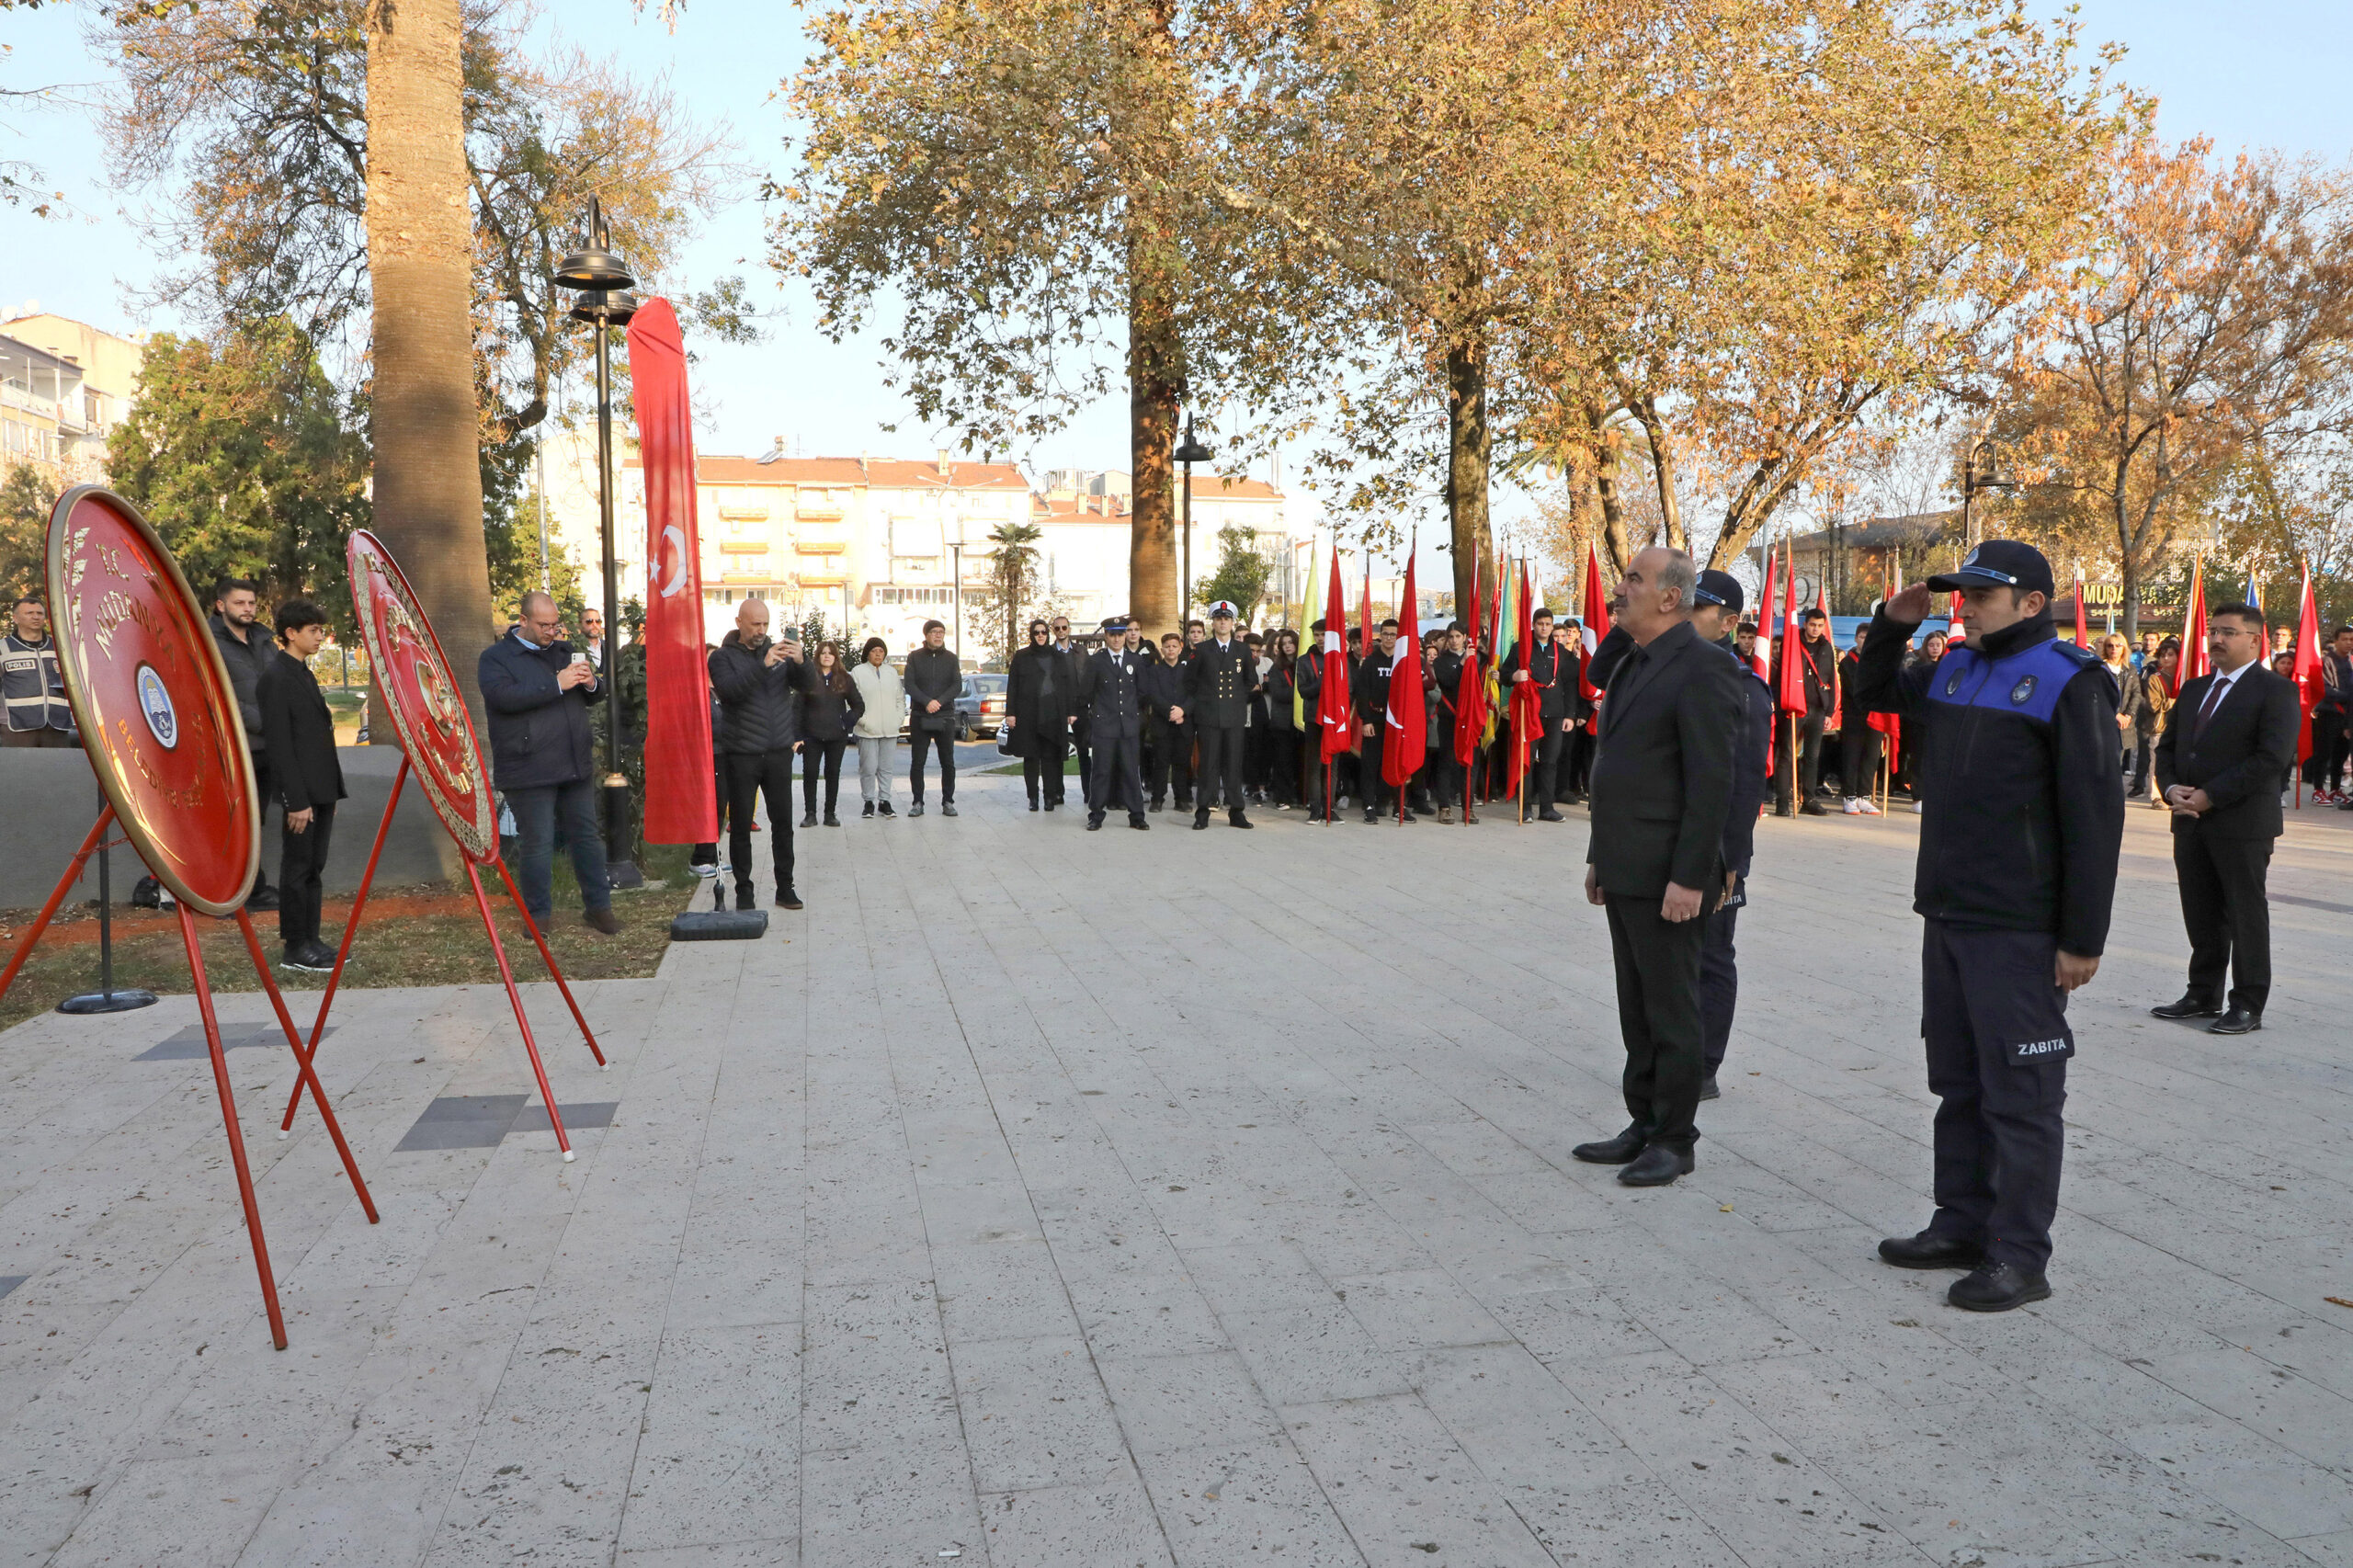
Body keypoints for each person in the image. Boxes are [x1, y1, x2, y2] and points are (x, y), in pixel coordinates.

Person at [1857, 540, 2123, 1312]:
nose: (1964, 607)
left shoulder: (2070, 681)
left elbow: (2095, 817)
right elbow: (1872, 692)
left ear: (2032, 603)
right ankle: (1961, 1224)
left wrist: (2082, 938)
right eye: (1960, 594)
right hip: (1949, 912)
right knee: (1958, 1084)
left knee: (2022, 1096)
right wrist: (1891, 627)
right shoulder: (1956, 667)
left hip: (2020, 926)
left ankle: (2019, 1256)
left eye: (1980, 595)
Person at [1571, 548, 1740, 1187]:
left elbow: (1711, 783)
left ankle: (1674, 1139)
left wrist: (1691, 877)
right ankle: (1642, 1122)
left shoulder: (1705, 667)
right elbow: (1615, 768)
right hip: (1626, 863)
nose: (1620, 590)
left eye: (1634, 580)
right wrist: (1599, 856)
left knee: (1671, 1008)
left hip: (1671, 871)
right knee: (1636, 1006)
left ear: (1671, 597)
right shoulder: (1633, 661)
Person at [2149, 603, 2300, 1034]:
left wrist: (2210, 796)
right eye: (2213, 631)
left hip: (2242, 823)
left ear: (2254, 640)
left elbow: (2271, 758)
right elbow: (2168, 747)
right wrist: (2172, 788)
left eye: (2228, 632)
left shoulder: (2276, 691)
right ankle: (2202, 993)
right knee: (2201, 911)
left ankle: (2248, 1003)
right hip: (2189, 819)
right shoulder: (2195, 688)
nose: (2216, 639)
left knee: (2244, 913)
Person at [482, 591, 616, 933]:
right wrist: (555, 684)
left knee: (587, 838)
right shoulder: (496, 658)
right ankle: (538, 916)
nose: (551, 631)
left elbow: (595, 696)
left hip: (573, 764)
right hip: (528, 767)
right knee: (538, 843)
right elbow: (503, 698)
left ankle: (599, 908)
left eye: (555, 625)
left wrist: (591, 683)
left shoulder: (563, 651)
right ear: (523, 621)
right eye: (544, 625)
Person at [1691, 570, 1770, 1101]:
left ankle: (1704, 1065)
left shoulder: (1744, 687)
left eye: (1698, 608)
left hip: (1717, 851)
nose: (1685, 615)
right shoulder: (1672, 671)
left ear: (1728, 622)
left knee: (1712, 956)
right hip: (1670, 843)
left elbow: (1745, 784)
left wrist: (1732, 860)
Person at [256, 599, 347, 971]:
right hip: (301, 795)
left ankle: (312, 938)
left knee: (313, 867)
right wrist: (295, 800)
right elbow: (280, 745)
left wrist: (329, 793)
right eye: (313, 630)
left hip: (319, 790)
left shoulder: (303, 673)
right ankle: (295, 947)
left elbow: (316, 736)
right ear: (291, 633)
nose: (320, 637)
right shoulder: (276, 677)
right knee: (296, 869)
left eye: (321, 630)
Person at [708, 597, 804, 911]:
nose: (761, 630)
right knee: (740, 826)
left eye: (765, 624)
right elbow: (730, 692)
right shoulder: (721, 657)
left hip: (778, 752)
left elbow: (809, 686)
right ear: (739, 623)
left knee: (783, 824)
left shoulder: (779, 652)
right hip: (742, 753)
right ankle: (744, 891)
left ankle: (785, 888)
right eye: (755, 624)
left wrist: (801, 661)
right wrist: (763, 667)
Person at [210, 578, 283, 910]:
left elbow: (281, 682)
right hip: (232, 747)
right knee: (230, 821)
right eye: (239, 603)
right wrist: (263, 721)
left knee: (257, 819)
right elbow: (216, 695)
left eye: (251, 603)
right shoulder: (208, 642)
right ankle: (224, 894)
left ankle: (252, 889)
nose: (248, 609)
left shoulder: (265, 641)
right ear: (221, 605)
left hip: (269, 747)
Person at [1182, 600, 1257, 830]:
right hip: (1209, 717)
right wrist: (1205, 700)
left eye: (1226, 619)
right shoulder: (1202, 650)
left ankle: (1236, 812)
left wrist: (1237, 699)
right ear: (1213, 623)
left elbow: (1251, 680)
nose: (1223, 622)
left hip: (1233, 717)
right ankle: (1203, 812)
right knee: (1208, 766)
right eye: (1218, 619)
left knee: (1233, 765)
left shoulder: (1242, 650)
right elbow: (1189, 682)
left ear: (1233, 623)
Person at [1500, 608, 1575, 821]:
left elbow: (1570, 684)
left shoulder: (1561, 651)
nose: (1544, 628)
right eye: (1540, 624)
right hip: (1529, 713)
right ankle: (1525, 808)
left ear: (1552, 626)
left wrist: (1570, 715)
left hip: (1555, 713)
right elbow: (1505, 674)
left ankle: (1547, 808)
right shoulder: (1521, 648)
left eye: (1548, 624)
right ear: (1533, 625)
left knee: (1550, 761)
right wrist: (1514, 676)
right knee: (1527, 760)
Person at [1078, 617, 1150, 830]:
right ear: (1106, 636)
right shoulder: (1096, 661)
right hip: (1104, 727)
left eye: (1120, 634)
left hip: (1128, 726)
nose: (1117, 639)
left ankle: (1137, 816)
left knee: (1131, 772)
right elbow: (1086, 693)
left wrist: (1134, 716)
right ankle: (1096, 815)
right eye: (1112, 635)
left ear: (1125, 635)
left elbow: (1143, 692)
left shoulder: (1135, 661)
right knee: (1101, 772)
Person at [1351, 618, 1415, 824]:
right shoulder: (1371, 662)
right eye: (1385, 634)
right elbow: (1362, 692)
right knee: (1370, 765)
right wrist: (1366, 720)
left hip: (1396, 722)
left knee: (1397, 763)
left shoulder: (1403, 660)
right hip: (1375, 719)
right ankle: (1369, 807)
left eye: (1393, 634)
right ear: (1381, 637)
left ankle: (1398, 807)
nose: (1389, 638)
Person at [1774, 607, 1838, 815]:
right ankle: (1783, 802)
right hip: (1795, 707)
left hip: (1818, 708)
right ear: (1805, 624)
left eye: (1820, 625)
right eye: (1812, 625)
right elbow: (1782, 677)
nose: (1816, 629)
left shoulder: (1826, 647)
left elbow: (1831, 679)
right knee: (1787, 755)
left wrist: (1829, 712)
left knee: (1812, 757)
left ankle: (1808, 800)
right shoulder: (1792, 644)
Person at [1006, 619, 1073, 811]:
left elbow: (1067, 686)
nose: (1040, 635)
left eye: (1043, 632)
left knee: (1050, 758)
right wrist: (1010, 713)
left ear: (1048, 633)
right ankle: (1033, 798)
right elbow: (1012, 686)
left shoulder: (1057, 656)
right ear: (1031, 635)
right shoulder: (1021, 656)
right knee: (1031, 758)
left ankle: (1049, 797)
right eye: (1036, 632)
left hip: (1052, 715)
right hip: (1028, 715)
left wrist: (1070, 711)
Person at [798, 639, 863, 827]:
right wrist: (797, 736)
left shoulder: (844, 678)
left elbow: (858, 705)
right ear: (818, 656)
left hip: (836, 736)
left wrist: (845, 722)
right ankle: (810, 814)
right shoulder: (808, 678)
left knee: (832, 773)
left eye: (830, 653)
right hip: (812, 736)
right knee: (810, 773)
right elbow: (797, 708)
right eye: (823, 653)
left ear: (835, 657)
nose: (827, 656)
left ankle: (830, 814)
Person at [3, 596, 77, 747]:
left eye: (39, 613)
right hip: (17, 729)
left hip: (57, 727)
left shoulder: (61, 647)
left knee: (59, 763)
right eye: (29, 613)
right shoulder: (3, 648)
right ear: (15, 618)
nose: (36, 617)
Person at [903, 619, 961, 817]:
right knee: (918, 762)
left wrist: (939, 702)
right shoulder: (915, 657)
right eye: (934, 632)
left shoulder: (951, 658)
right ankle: (917, 802)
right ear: (926, 635)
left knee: (948, 762)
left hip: (945, 715)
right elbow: (909, 684)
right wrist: (927, 701)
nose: (938, 635)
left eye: (941, 632)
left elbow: (957, 685)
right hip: (921, 715)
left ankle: (948, 801)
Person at [849, 637, 903, 819]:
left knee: (886, 768)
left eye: (881, 651)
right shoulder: (858, 672)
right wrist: (864, 722)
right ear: (867, 654)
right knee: (868, 768)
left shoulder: (891, 672)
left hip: (890, 729)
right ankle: (868, 801)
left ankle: (885, 801)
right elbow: (852, 701)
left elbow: (899, 699)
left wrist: (898, 720)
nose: (878, 654)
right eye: (874, 651)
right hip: (867, 730)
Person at [1140, 631, 1192, 812]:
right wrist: (1170, 712)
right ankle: (1157, 798)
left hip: (1183, 723)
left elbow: (1193, 694)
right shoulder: (1154, 671)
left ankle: (1181, 799)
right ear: (1162, 649)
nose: (1171, 650)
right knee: (1161, 763)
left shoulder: (1188, 671)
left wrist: (1182, 711)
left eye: (1174, 646)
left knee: (1182, 763)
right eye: (1167, 647)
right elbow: (1153, 695)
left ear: (1180, 649)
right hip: (1162, 723)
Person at [1837, 625, 1884, 814]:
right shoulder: (1847, 662)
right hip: (1854, 715)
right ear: (1856, 638)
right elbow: (1855, 688)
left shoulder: (1878, 660)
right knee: (1852, 756)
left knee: (1871, 756)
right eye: (1863, 637)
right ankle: (1849, 796)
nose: (1866, 641)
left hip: (1875, 715)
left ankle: (1863, 795)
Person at [2133, 638, 2179, 806]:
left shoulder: (2184, 677)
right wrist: (2175, 701)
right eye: (2163, 655)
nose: (2166, 658)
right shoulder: (2155, 678)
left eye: (2171, 655)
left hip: (2180, 726)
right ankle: (2157, 796)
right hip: (2160, 726)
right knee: (2157, 761)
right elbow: (2154, 705)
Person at [2314, 624, 2353, 802]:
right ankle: (2318, 789)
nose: (2348, 643)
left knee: (2342, 753)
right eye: (2344, 639)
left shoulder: (2351, 661)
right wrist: (2349, 696)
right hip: (2330, 713)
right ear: (2336, 641)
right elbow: (2326, 689)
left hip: (2348, 715)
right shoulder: (2327, 661)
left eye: (2351, 639)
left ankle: (2335, 789)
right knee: (2324, 752)